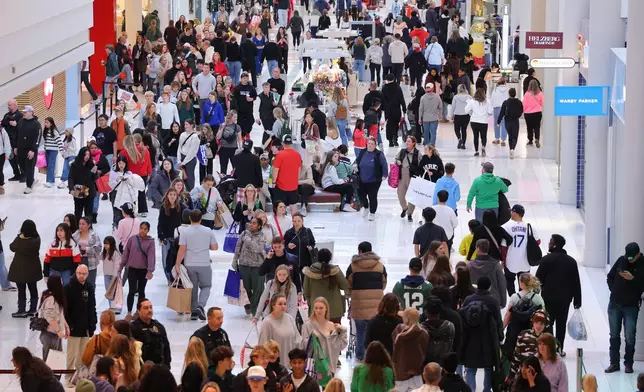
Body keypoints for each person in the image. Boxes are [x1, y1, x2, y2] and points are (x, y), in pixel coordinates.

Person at [536, 234, 581, 356]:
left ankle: (549, 348)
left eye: (550, 242)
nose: (549, 243)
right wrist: (578, 300)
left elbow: (538, 279)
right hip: (564, 299)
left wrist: (535, 295)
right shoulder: (571, 262)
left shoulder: (546, 260)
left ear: (555, 244)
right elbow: (576, 282)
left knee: (548, 323)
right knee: (561, 324)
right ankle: (559, 348)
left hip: (548, 298)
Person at [604, 242, 644, 373]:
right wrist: (613, 290)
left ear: (638, 255)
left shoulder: (642, 265)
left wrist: (633, 279)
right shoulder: (621, 260)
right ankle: (614, 363)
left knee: (630, 336)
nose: (629, 260)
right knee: (614, 334)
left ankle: (629, 364)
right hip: (615, 303)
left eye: (631, 258)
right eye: (627, 257)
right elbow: (610, 277)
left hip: (631, 306)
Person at [459, 276, 504, 392]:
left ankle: (471, 390)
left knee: (470, 369)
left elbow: (462, 319)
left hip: (470, 339)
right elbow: (498, 321)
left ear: (477, 286)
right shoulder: (493, 301)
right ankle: (486, 390)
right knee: (488, 368)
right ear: (489, 287)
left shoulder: (468, 300)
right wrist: (500, 337)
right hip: (488, 339)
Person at [346, 241, 387, 361]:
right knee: (374, 332)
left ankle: (360, 356)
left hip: (359, 305)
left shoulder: (353, 266)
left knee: (360, 332)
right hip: (376, 306)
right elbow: (383, 283)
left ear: (360, 251)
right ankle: (373, 356)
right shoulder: (380, 266)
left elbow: (348, 282)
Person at [175, 210, 219, 320]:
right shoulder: (208, 231)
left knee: (192, 288)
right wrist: (205, 246)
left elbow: (182, 249)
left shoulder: (185, 232)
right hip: (204, 263)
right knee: (206, 286)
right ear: (201, 219)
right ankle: (201, 305)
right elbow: (215, 247)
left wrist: (177, 264)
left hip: (189, 263)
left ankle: (194, 312)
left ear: (190, 218)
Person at [64, 264, 97, 385]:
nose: (81, 276)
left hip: (86, 327)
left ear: (87, 274)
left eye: (84, 274)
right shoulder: (68, 287)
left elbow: (92, 305)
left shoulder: (89, 286)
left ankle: (79, 377)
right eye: (79, 273)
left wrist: (93, 323)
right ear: (76, 273)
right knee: (71, 354)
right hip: (74, 327)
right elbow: (66, 309)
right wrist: (69, 326)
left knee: (83, 355)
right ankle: (68, 377)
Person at [301, 297, 348, 374]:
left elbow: (340, 345)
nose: (318, 310)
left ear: (326, 308)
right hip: (313, 367)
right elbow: (303, 345)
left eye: (321, 308)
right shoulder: (307, 325)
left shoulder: (332, 325)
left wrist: (343, 331)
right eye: (316, 308)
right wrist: (311, 338)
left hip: (329, 367)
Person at [232, 217, 269, 316]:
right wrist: (235, 260)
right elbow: (238, 247)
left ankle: (254, 310)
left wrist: (248, 240)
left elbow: (258, 249)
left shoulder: (262, 236)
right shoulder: (244, 233)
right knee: (246, 288)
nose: (251, 225)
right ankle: (252, 306)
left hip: (257, 266)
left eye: (254, 223)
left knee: (258, 289)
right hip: (244, 265)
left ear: (259, 225)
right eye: (250, 222)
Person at [119, 222, 155, 319]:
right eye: (141, 228)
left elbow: (151, 257)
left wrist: (150, 270)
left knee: (141, 291)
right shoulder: (133, 239)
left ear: (148, 230)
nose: (143, 230)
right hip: (132, 269)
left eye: (145, 229)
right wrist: (121, 266)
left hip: (143, 270)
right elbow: (126, 253)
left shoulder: (150, 241)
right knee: (131, 290)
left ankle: (139, 312)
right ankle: (129, 312)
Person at [302, 248, 349, 322]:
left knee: (317, 333)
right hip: (334, 310)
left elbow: (306, 292)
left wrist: (310, 303)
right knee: (335, 332)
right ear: (330, 258)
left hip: (316, 309)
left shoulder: (309, 272)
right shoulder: (335, 271)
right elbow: (344, 285)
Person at [258, 294, 302, 367]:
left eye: (285, 304)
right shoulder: (267, 322)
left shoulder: (289, 318)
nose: (283, 306)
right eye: (280, 304)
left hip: (291, 364)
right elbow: (263, 345)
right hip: (275, 365)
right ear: (273, 305)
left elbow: (298, 339)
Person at [9, 219, 42, 317]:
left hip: (20, 269)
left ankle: (21, 310)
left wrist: (18, 236)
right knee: (33, 288)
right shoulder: (37, 239)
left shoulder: (19, 240)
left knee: (21, 290)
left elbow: (12, 247)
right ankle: (33, 309)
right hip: (33, 268)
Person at [391, 308, 428, 391]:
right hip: (417, 372)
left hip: (400, 373)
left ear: (407, 318)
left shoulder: (398, 331)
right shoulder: (424, 333)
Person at [131, 298, 171, 367]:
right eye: (146, 308)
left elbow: (166, 347)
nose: (149, 310)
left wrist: (167, 366)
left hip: (159, 366)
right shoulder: (133, 328)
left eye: (151, 307)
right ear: (138, 311)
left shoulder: (159, 326)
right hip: (142, 368)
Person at [119, 135, 153, 217]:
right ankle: (143, 210)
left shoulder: (124, 152)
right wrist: (149, 172)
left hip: (130, 175)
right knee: (142, 192)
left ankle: (130, 210)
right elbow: (148, 161)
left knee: (130, 193)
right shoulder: (145, 150)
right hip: (143, 174)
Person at [356, 137, 389, 220]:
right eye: (369, 143)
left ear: (375, 146)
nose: (370, 145)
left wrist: (384, 175)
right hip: (362, 178)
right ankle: (366, 207)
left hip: (374, 180)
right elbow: (357, 160)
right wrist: (355, 165)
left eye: (372, 144)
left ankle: (372, 212)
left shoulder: (379, 154)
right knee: (361, 195)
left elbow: (384, 165)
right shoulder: (363, 152)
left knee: (372, 196)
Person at [37, 275, 68, 361]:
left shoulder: (54, 296)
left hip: (54, 333)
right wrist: (58, 330)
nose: (62, 283)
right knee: (51, 360)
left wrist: (66, 326)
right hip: (50, 333)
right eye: (60, 281)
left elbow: (59, 314)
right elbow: (50, 317)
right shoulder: (51, 299)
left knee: (55, 359)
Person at [271, 135, 303, 215]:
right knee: (293, 205)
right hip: (293, 186)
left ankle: (281, 224)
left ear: (282, 143)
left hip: (281, 186)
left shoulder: (280, 155)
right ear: (291, 143)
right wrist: (296, 181)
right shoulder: (297, 155)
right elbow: (299, 170)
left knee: (281, 206)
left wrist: (274, 182)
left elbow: (275, 170)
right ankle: (295, 224)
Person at [395, 136, 423, 221]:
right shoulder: (402, 151)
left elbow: (421, 165)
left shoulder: (417, 153)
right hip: (402, 175)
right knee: (400, 194)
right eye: (407, 141)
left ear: (414, 143)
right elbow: (396, 159)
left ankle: (409, 213)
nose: (407, 143)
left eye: (409, 141)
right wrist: (397, 161)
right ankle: (404, 208)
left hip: (412, 176)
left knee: (412, 196)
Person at [15, 105, 41, 194]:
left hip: (30, 150)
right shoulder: (21, 121)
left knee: (29, 167)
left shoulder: (36, 124)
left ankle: (29, 185)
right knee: (21, 165)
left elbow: (38, 138)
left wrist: (33, 150)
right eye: (23, 112)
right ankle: (31, 178)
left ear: (31, 112)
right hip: (20, 149)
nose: (24, 113)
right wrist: (15, 146)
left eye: (25, 112)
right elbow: (17, 134)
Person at [463, 88, 493, 156]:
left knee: (475, 136)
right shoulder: (487, 101)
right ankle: (483, 147)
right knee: (484, 136)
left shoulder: (472, 101)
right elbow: (490, 111)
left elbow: (466, 110)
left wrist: (469, 106)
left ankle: (476, 151)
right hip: (484, 121)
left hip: (474, 121)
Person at [496, 87, 523, 158]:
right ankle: (512, 149)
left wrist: (498, 122)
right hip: (515, 121)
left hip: (507, 121)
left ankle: (511, 148)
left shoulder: (505, 103)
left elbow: (501, 113)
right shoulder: (519, 102)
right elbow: (521, 111)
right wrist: (518, 116)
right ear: (515, 94)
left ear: (509, 94)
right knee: (515, 136)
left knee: (510, 136)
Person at [381, 74, 406, 146]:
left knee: (389, 125)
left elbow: (382, 99)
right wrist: (404, 108)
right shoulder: (398, 87)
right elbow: (401, 98)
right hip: (396, 110)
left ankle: (390, 141)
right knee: (395, 124)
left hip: (388, 110)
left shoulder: (384, 88)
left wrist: (382, 109)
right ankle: (395, 137)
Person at [2, 99, 23, 182]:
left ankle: (23, 175)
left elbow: (21, 126)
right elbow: (3, 122)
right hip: (8, 141)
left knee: (19, 158)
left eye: (10, 105)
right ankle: (16, 174)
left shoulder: (20, 115)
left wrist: (15, 124)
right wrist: (9, 122)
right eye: (8, 105)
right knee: (11, 159)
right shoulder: (7, 115)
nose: (8, 106)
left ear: (14, 105)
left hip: (17, 140)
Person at [178, 119, 201, 191]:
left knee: (189, 178)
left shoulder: (195, 136)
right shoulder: (182, 134)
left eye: (187, 124)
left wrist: (184, 162)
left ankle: (190, 193)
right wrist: (179, 160)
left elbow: (192, 151)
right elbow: (179, 147)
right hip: (182, 157)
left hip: (190, 160)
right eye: (185, 124)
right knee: (181, 178)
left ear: (191, 125)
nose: (185, 126)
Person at [523, 79, 544, 148]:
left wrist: (523, 111)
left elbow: (524, 104)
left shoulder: (527, 94)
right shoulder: (540, 93)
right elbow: (542, 103)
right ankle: (537, 139)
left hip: (528, 113)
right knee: (537, 127)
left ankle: (530, 140)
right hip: (537, 113)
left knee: (529, 127)